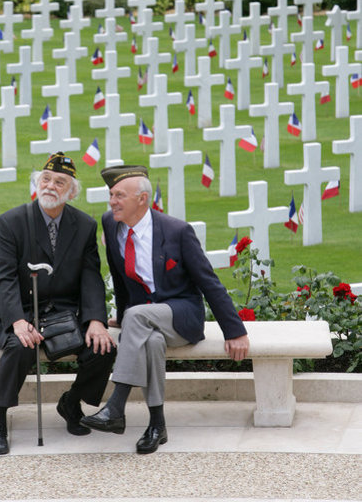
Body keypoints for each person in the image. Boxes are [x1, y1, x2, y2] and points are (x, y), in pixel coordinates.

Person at [80, 164, 249, 454]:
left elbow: (209, 282)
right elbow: (120, 279)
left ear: (142, 199)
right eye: (111, 195)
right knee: (152, 341)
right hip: (144, 319)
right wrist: (123, 318)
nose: (112, 201)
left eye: (119, 195)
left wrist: (235, 331)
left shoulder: (178, 232)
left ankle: (116, 406)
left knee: (138, 317)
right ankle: (157, 425)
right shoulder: (111, 223)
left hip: (182, 314)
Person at [0, 151, 116, 455]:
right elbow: (3, 279)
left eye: (60, 182)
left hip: (63, 315)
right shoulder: (12, 222)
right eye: (46, 179)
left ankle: (71, 403)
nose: (50, 186)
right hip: (20, 312)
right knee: (19, 347)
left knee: (103, 347)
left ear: (71, 192)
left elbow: (91, 277)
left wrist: (96, 319)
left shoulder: (83, 225)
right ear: (36, 183)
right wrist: (17, 321)